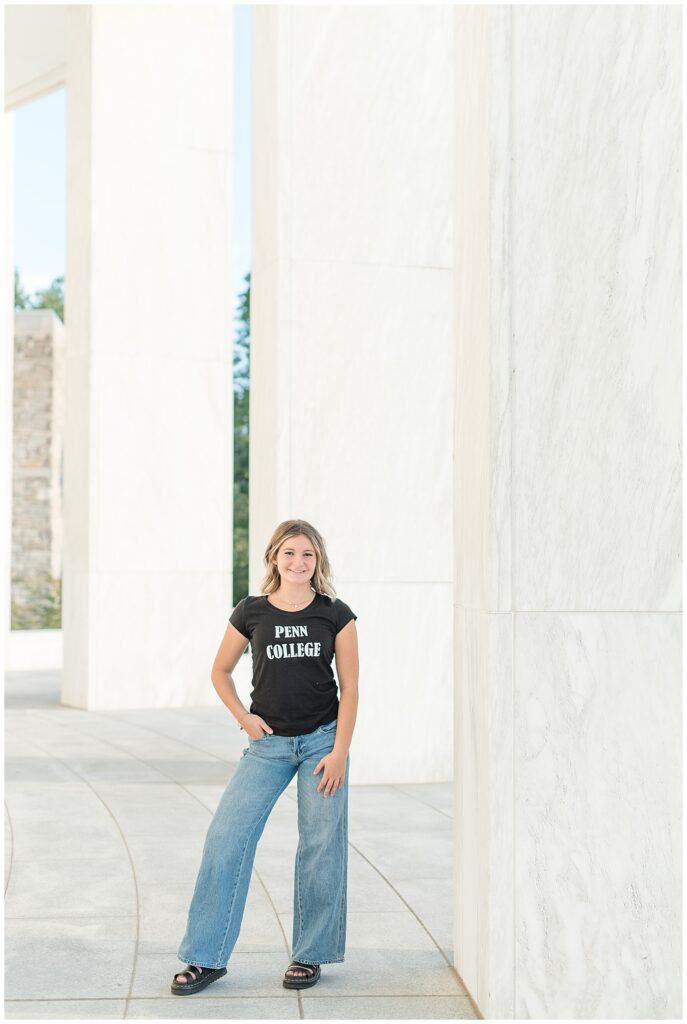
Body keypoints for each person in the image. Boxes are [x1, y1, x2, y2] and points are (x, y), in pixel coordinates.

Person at [171, 519, 359, 995]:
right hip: (268, 745)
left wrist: (340, 752)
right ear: (274, 557)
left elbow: (352, 687)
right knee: (226, 837)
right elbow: (220, 670)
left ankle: (310, 954)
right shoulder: (251, 611)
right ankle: (205, 958)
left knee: (321, 845)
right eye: (290, 553)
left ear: (319, 562)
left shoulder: (336, 614)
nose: (299, 563)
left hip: (322, 744)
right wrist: (244, 718)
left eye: (308, 555)